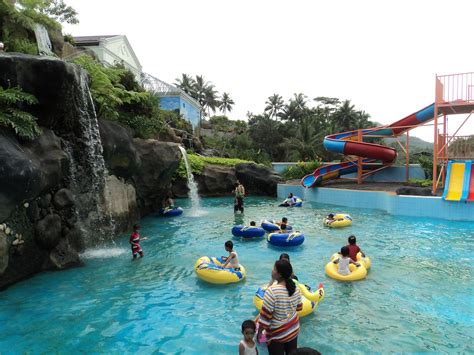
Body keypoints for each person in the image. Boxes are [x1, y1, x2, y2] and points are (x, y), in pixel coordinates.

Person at [258, 259, 302, 354]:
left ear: (279, 274)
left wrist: (259, 333)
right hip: (293, 330)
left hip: (277, 335)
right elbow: (299, 308)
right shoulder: (296, 288)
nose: (272, 270)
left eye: (274, 269)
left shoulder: (272, 291)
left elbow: (265, 319)